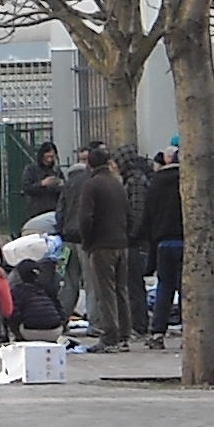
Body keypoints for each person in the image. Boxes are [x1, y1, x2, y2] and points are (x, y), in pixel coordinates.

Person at [70, 148, 135, 352]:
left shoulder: (91, 185)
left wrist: (87, 241)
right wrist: (126, 235)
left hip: (101, 244)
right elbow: (130, 214)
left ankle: (110, 337)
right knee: (121, 290)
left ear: (89, 164)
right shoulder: (117, 184)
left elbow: (85, 218)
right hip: (121, 243)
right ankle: (125, 334)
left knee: (105, 292)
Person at [139, 156, 184, 348]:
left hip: (163, 242)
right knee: (186, 289)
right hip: (184, 240)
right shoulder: (187, 181)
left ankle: (158, 332)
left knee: (164, 288)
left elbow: (147, 214)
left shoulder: (156, 183)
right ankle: (187, 332)